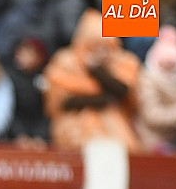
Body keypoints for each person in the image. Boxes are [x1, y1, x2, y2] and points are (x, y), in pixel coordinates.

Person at [43, 9, 141, 152]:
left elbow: (125, 93)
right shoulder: (66, 61)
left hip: (115, 125)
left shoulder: (123, 61)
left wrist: (98, 72)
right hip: (74, 127)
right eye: (95, 47)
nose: (100, 53)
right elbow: (62, 102)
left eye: (105, 47)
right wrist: (103, 98)